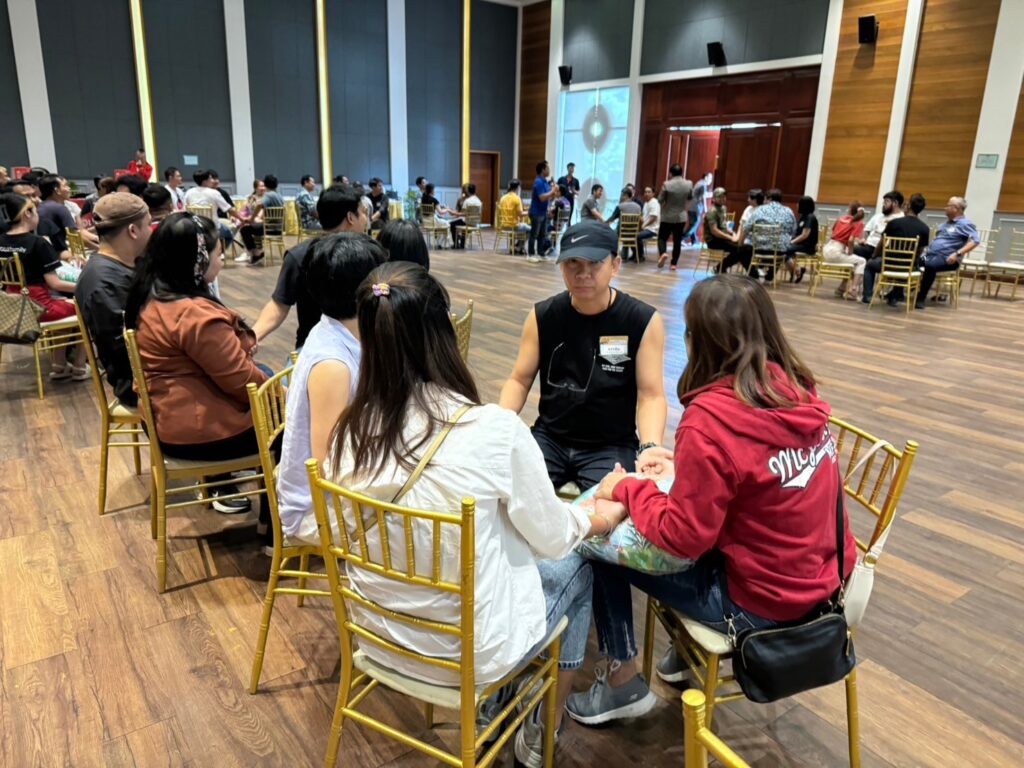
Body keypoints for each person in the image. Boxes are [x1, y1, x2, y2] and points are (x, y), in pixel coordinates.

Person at [320, 260, 625, 767]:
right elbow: (554, 538)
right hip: (467, 655)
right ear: (445, 334)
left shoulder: (348, 433)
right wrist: (603, 511)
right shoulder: (492, 431)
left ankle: (509, 708)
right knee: (577, 566)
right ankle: (543, 724)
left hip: (378, 637)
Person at [565, 273, 857, 726]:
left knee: (596, 544)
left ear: (698, 340)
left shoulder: (711, 418)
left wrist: (627, 489)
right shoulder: (797, 391)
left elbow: (682, 538)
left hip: (760, 607)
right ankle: (685, 655)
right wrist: (685, 468)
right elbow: (757, 483)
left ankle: (622, 681)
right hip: (827, 585)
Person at [500, 220, 669, 492]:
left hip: (611, 444)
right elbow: (519, 380)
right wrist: (501, 420)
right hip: (550, 437)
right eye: (573, 263)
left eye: (595, 264)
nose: (583, 274)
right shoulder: (543, 315)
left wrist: (650, 446)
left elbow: (651, 395)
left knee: (612, 506)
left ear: (615, 265)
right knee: (507, 491)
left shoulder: (642, 320)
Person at [124, 212, 267, 513]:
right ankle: (277, 528)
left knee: (269, 380)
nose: (221, 261)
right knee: (292, 423)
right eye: (218, 254)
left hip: (166, 419)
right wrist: (284, 397)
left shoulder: (151, 294)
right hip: (197, 434)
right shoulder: (194, 315)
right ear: (199, 260)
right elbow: (242, 382)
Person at [276, 233, 387, 542]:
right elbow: (329, 466)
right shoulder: (332, 365)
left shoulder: (340, 329)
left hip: (343, 481)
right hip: (317, 510)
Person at [253, 184, 368, 349]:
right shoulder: (370, 254)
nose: (366, 219)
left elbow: (279, 305)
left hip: (311, 347)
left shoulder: (299, 254)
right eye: (363, 212)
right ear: (350, 217)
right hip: (356, 347)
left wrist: (252, 337)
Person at [75, 192, 152, 406]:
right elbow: (126, 350)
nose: (151, 231)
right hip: (139, 384)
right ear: (133, 231)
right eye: (148, 225)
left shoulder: (120, 265)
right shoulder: (104, 282)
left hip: (150, 371)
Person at [0, 193, 88, 378]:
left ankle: (59, 364)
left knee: (65, 306)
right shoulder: (38, 243)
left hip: (10, 306)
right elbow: (55, 283)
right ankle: (80, 365)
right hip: (37, 306)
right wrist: (85, 285)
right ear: (27, 213)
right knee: (85, 307)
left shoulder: (1, 241)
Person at [863, 193, 929, 306]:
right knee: (910, 265)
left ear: (908, 206)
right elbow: (920, 251)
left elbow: (881, 243)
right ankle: (894, 296)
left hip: (888, 264)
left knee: (870, 265)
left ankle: (868, 296)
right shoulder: (924, 228)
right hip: (907, 268)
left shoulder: (894, 223)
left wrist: (874, 256)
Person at [914, 196, 979, 310]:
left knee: (930, 265)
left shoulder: (965, 224)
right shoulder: (944, 224)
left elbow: (975, 241)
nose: (945, 208)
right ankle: (898, 292)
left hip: (947, 258)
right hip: (930, 255)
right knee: (913, 261)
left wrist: (957, 254)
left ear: (956, 208)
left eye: (948, 206)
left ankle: (921, 297)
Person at [183, 169, 246, 249]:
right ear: (205, 181)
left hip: (195, 228)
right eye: (210, 178)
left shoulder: (189, 192)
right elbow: (229, 209)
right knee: (229, 235)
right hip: (213, 228)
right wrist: (241, 218)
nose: (212, 181)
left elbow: (185, 208)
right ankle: (218, 251)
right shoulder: (214, 193)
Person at [744, 189, 797, 281]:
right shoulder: (789, 211)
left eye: (765, 198)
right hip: (780, 251)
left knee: (743, 250)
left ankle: (754, 274)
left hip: (759, 249)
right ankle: (770, 275)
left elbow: (746, 228)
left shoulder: (760, 210)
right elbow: (793, 231)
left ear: (769, 199)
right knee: (779, 246)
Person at [38, 174, 96, 254]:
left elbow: (80, 231)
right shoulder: (59, 208)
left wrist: (96, 239)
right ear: (57, 190)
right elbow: (75, 236)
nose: (69, 188)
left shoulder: (39, 207)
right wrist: (98, 248)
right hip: (63, 253)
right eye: (65, 186)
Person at [823, 202, 866, 299]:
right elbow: (850, 240)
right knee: (862, 261)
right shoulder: (858, 222)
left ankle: (841, 288)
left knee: (851, 262)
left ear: (850, 210)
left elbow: (834, 233)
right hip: (836, 252)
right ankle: (853, 289)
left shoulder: (840, 218)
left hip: (826, 250)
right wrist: (850, 252)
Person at [238, 174, 284, 264]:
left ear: (265, 184)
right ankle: (257, 252)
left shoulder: (268, 195)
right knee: (252, 226)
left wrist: (251, 219)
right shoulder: (279, 196)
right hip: (278, 229)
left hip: (268, 229)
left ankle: (256, 253)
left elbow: (259, 205)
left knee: (244, 229)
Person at [656, 164, 693, 270]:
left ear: (670, 173)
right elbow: (690, 197)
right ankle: (674, 264)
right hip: (681, 216)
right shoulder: (688, 184)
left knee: (662, 237)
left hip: (667, 216)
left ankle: (663, 253)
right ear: (682, 173)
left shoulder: (667, 184)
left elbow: (660, 199)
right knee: (677, 241)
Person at [720, 188, 764, 274]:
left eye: (749, 198)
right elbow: (741, 224)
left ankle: (721, 267)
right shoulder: (748, 208)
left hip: (757, 241)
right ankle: (753, 273)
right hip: (744, 238)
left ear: (755, 200)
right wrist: (738, 237)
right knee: (739, 249)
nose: (748, 200)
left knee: (741, 251)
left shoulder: (762, 210)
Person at [852, 191, 903, 259]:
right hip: (868, 245)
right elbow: (867, 230)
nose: (883, 204)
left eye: (886, 202)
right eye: (883, 202)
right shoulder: (878, 216)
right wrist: (863, 238)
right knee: (850, 249)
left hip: (883, 250)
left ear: (895, 203)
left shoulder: (901, 219)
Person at [784, 195, 818, 283]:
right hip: (800, 244)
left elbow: (804, 235)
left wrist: (792, 242)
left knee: (784, 250)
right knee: (782, 249)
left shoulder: (810, 217)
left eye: (799, 203)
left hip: (807, 246)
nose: (797, 205)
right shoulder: (803, 216)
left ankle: (796, 270)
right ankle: (797, 269)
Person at [528, 161, 556, 259]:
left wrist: (553, 189)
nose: (549, 170)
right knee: (534, 234)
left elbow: (550, 197)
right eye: (547, 168)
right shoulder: (538, 182)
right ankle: (531, 254)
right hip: (536, 212)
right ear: (543, 170)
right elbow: (542, 197)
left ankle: (541, 253)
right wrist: (552, 191)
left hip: (543, 212)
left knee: (542, 235)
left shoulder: (545, 182)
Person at [702, 187, 735, 263]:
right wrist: (730, 238)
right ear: (713, 199)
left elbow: (724, 224)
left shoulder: (723, 208)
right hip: (714, 241)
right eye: (719, 197)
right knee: (738, 249)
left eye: (724, 196)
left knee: (743, 246)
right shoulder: (712, 211)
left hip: (722, 238)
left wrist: (733, 233)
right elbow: (714, 231)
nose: (723, 199)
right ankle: (721, 266)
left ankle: (721, 266)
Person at [609, 188, 642, 262]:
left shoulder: (620, 206)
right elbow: (640, 219)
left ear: (626, 195)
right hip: (634, 233)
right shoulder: (638, 206)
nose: (620, 197)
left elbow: (612, 218)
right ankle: (635, 256)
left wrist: (604, 223)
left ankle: (613, 256)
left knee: (612, 234)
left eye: (621, 195)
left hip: (622, 232)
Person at [498, 179, 530, 255]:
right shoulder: (517, 198)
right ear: (518, 188)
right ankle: (519, 246)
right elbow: (520, 214)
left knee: (522, 226)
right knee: (531, 229)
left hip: (503, 225)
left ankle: (514, 246)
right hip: (514, 226)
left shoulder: (503, 198)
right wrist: (529, 212)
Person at [452, 183, 481, 248]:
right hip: (475, 223)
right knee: (461, 222)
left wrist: (453, 213)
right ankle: (462, 243)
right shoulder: (479, 201)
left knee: (452, 224)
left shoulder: (467, 201)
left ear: (468, 191)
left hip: (467, 222)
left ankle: (456, 244)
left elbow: (463, 213)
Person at [637, 185, 660, 260]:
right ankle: (636, 255)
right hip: (647, 228)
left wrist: (644, 225)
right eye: (645, 192)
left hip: (652, 229)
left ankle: (640, 256)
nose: (646, 194)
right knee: (632, 235)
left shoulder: (654, 202)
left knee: (637, 236)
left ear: (653, 193)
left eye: (649, 192)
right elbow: (645, 217)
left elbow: (653, 217)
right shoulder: (646, 203)